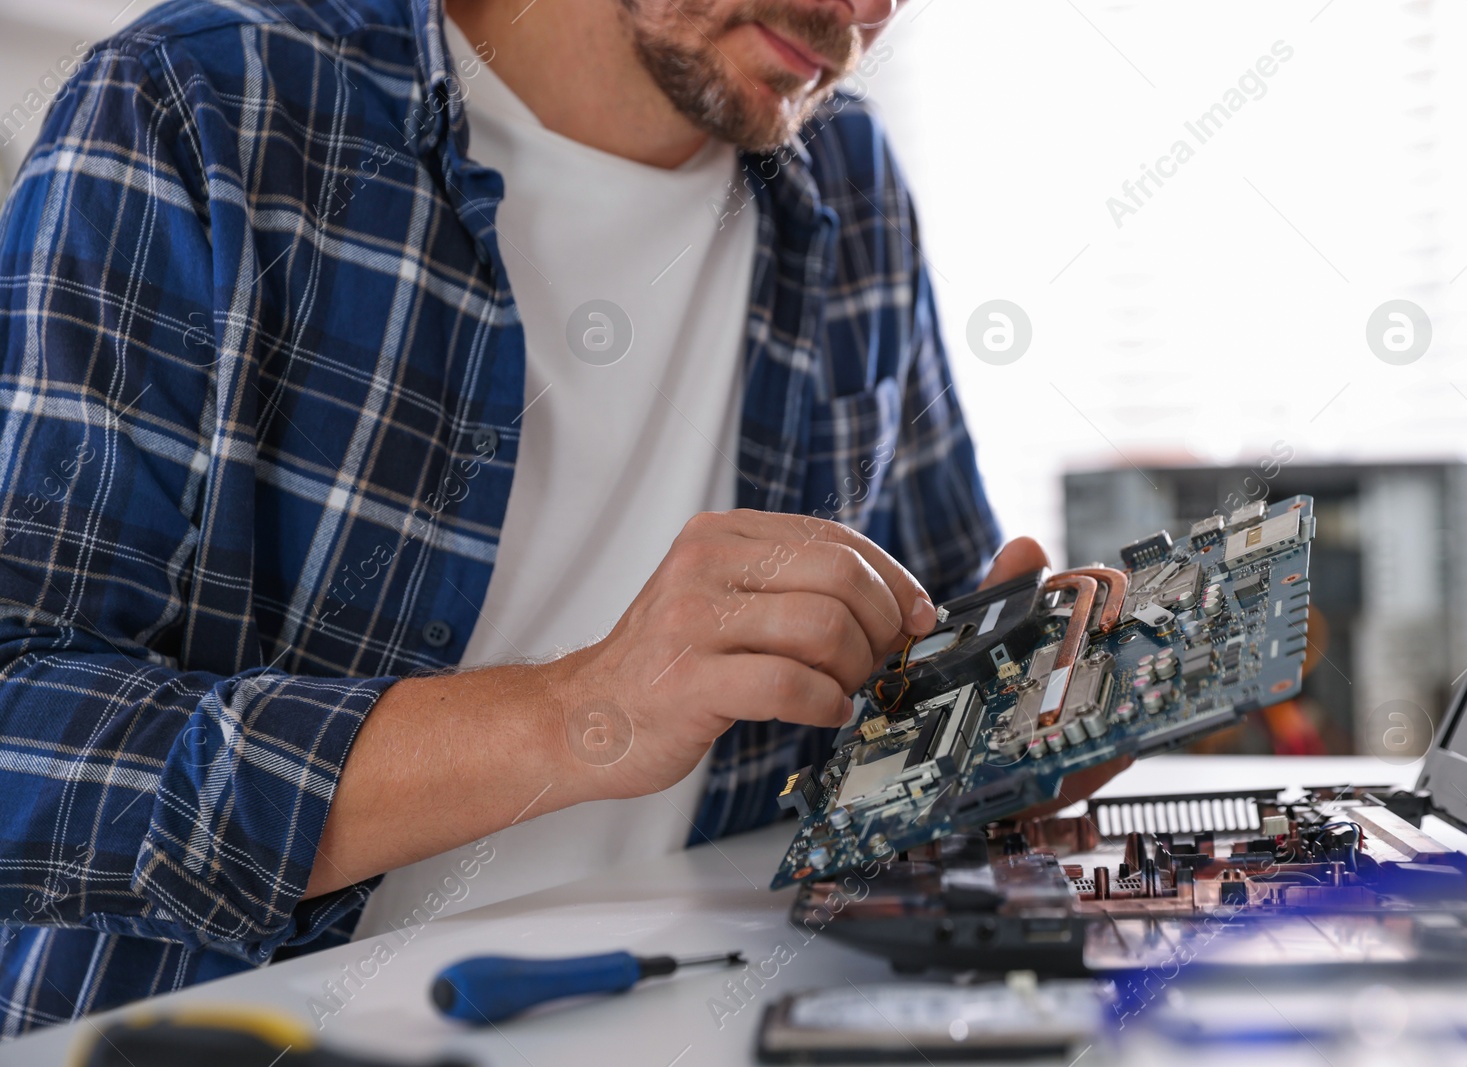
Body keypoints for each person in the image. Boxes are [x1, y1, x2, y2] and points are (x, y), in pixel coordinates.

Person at [0, 0, 1121, 1035]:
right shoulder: (203, 104)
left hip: (698, 1021)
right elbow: (21, 733)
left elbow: (898, 698)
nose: (868, 11)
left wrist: (1006, 730)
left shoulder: (848, 180)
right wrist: (578, 712)